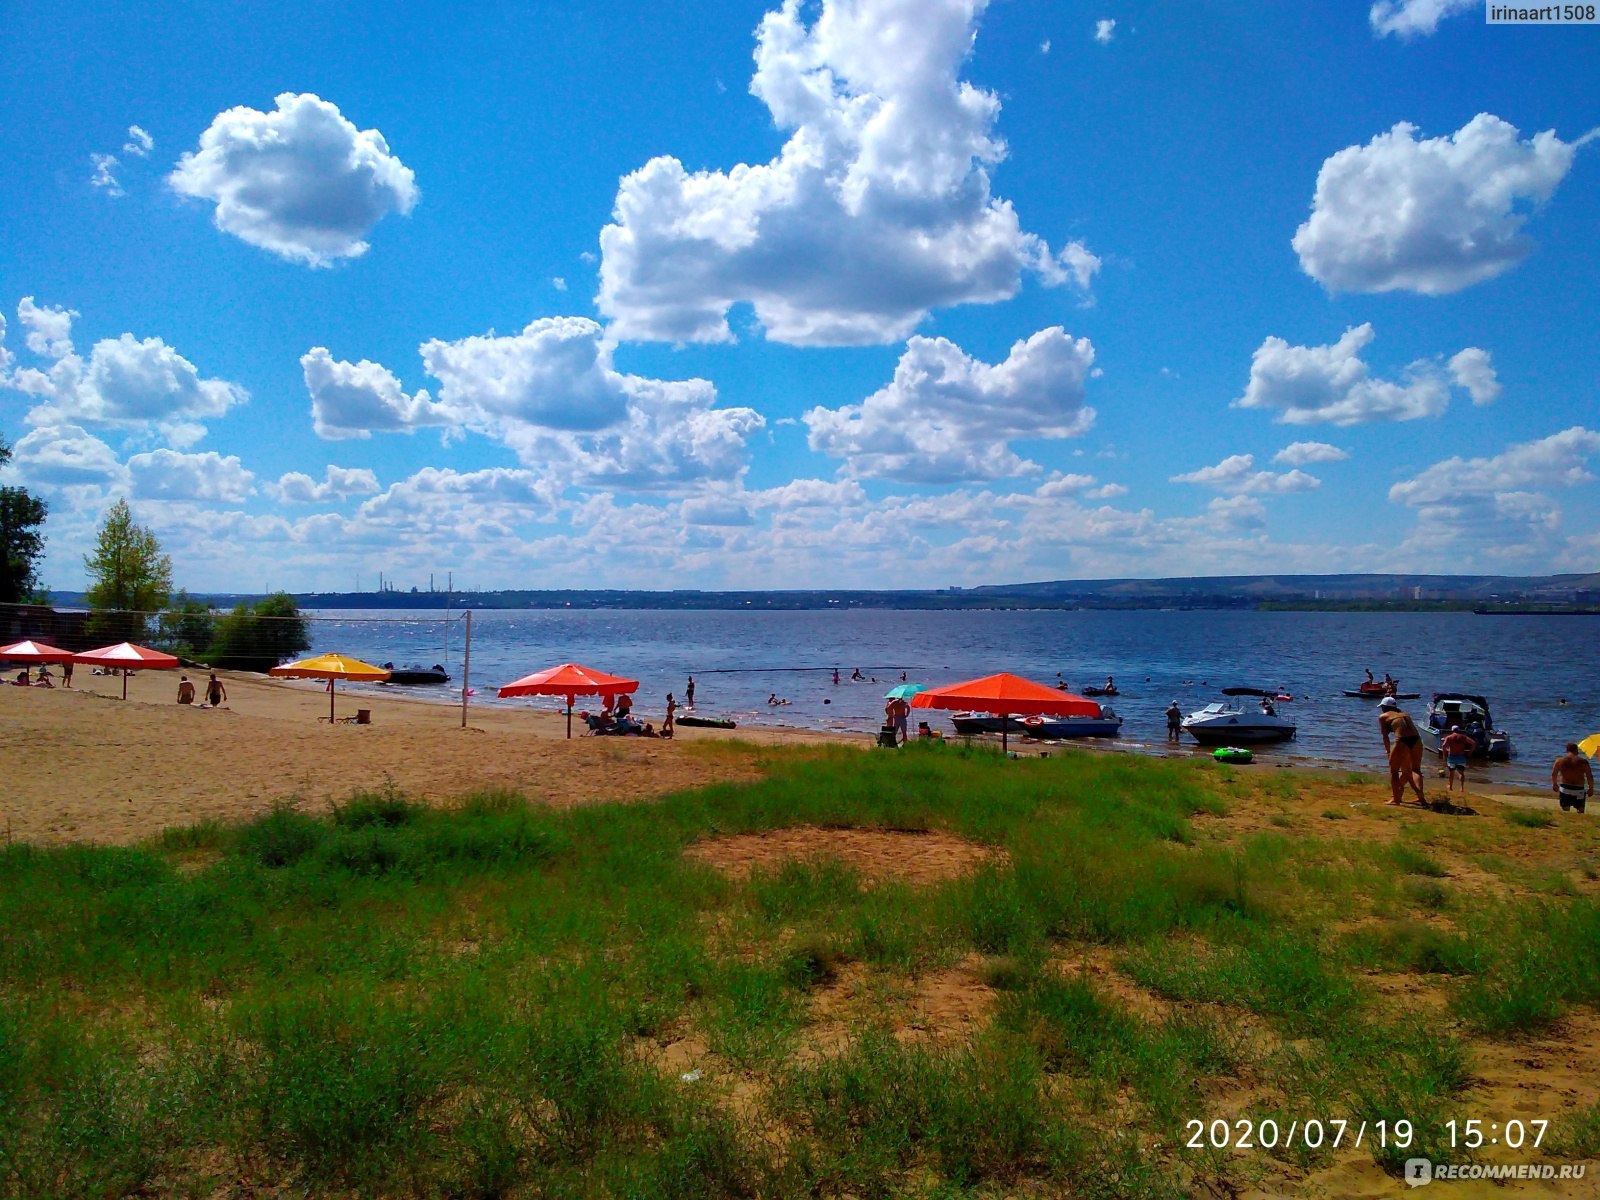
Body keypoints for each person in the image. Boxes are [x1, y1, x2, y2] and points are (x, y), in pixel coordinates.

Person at [1378, 696, 1426, 806]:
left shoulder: (1383, 716)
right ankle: (1420, 797)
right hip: (1417, 740)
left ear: (1385, 707)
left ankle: (1396, 799)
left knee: (1394, 771)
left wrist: (1388, 751)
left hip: (1402, 741)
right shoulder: (1405, 714)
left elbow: (1385, 737)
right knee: (1415, 770)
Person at [1552, 744, 1593, 814]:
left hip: (1565, 789)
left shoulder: (1559, 761)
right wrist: (1591, 788)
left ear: (1567, 750)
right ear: (1576, 750)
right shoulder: (1583, 762)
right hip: (1579, 789)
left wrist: (1554, 784)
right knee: (1580, 810)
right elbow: (1589, 776)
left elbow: (1554, 774)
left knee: (1566, 810)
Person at [1439, 725, 1475, 793]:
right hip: (1461, 757)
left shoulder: (1449, 737)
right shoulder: (1463, 737)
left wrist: (1444, 755)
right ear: (1459, 730)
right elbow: (1473, 743)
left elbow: (1443, 746)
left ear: (1452, 730)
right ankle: (1461, 788)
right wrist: (1470, 752)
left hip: (1452, 757)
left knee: (1451, 772)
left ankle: (1451, 787)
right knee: (1461, 773)